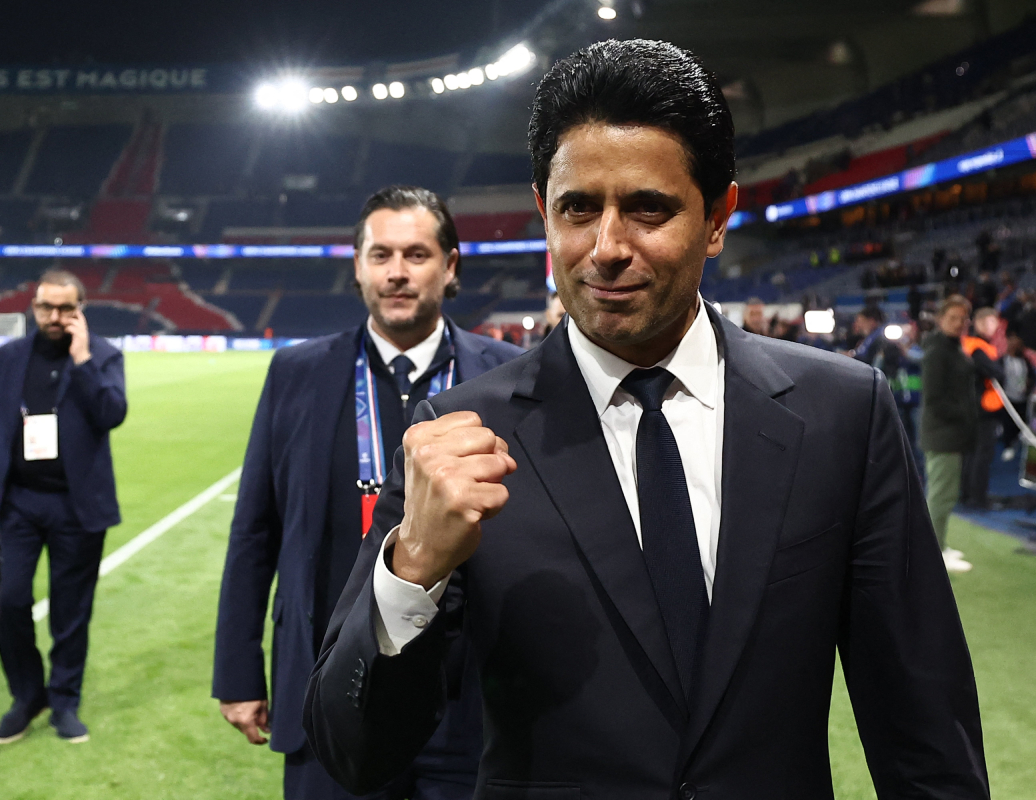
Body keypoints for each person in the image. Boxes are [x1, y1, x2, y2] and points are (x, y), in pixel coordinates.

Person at [305, 40, 988, 799]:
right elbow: (353, 751)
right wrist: (412, 570)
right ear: (544, 212)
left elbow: (924, 730)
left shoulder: (842, 414)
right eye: (578, 208)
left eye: (647, 209)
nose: (606, 248)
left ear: (717, 218)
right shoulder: (460, 434)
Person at [213, 186, 522, 800]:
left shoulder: (508, 373)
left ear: (450, 266)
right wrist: (238, 673)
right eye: (381, 255)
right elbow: (255, 529)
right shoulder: (296, 373)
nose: (396, 272)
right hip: (334, 690)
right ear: (358, 266)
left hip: (469, 702)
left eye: (416, 254)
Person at [0, 270, 126, 744]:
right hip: (18, 502)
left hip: (78, 505)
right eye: (46, 307)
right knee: (7, 599)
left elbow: (112, 413)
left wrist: (83, 360)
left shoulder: (103, 355)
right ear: (34, 307)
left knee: (71, 612)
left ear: (80, 309)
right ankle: (27, 694)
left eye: (65, 308)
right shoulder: (10, 356)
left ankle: (64, 702)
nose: (54, 317)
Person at [920, 295, 978, 573]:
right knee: (940, 496)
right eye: (952, 318)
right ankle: (933, 553)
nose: (958, 323)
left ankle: (938, 545)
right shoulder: (937, 352)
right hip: (942, 434)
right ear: (940, 319)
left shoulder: (952, 348)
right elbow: (934, 398)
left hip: (950, 434)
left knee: (944, 494)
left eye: (963, 318)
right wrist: (964, 414)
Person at [960, 308, 1005, 510]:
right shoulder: (978, 348)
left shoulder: (969, 345)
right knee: (981, 453)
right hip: (982, 407)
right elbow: (997, 373)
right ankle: (977, 497)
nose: (992, 327)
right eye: (988, 322)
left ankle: (967, 494)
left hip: (970, 405)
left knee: (970, 453)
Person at [999, 331, 1036, 461]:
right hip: (1007, 399)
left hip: (1022, 398)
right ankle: (1007, 445)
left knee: (1021, 421)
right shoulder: (1002, 360)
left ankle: (1019, 443)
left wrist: (1029, 386)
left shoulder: (1026, 361)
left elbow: (1033, 376)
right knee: (1008, 423)